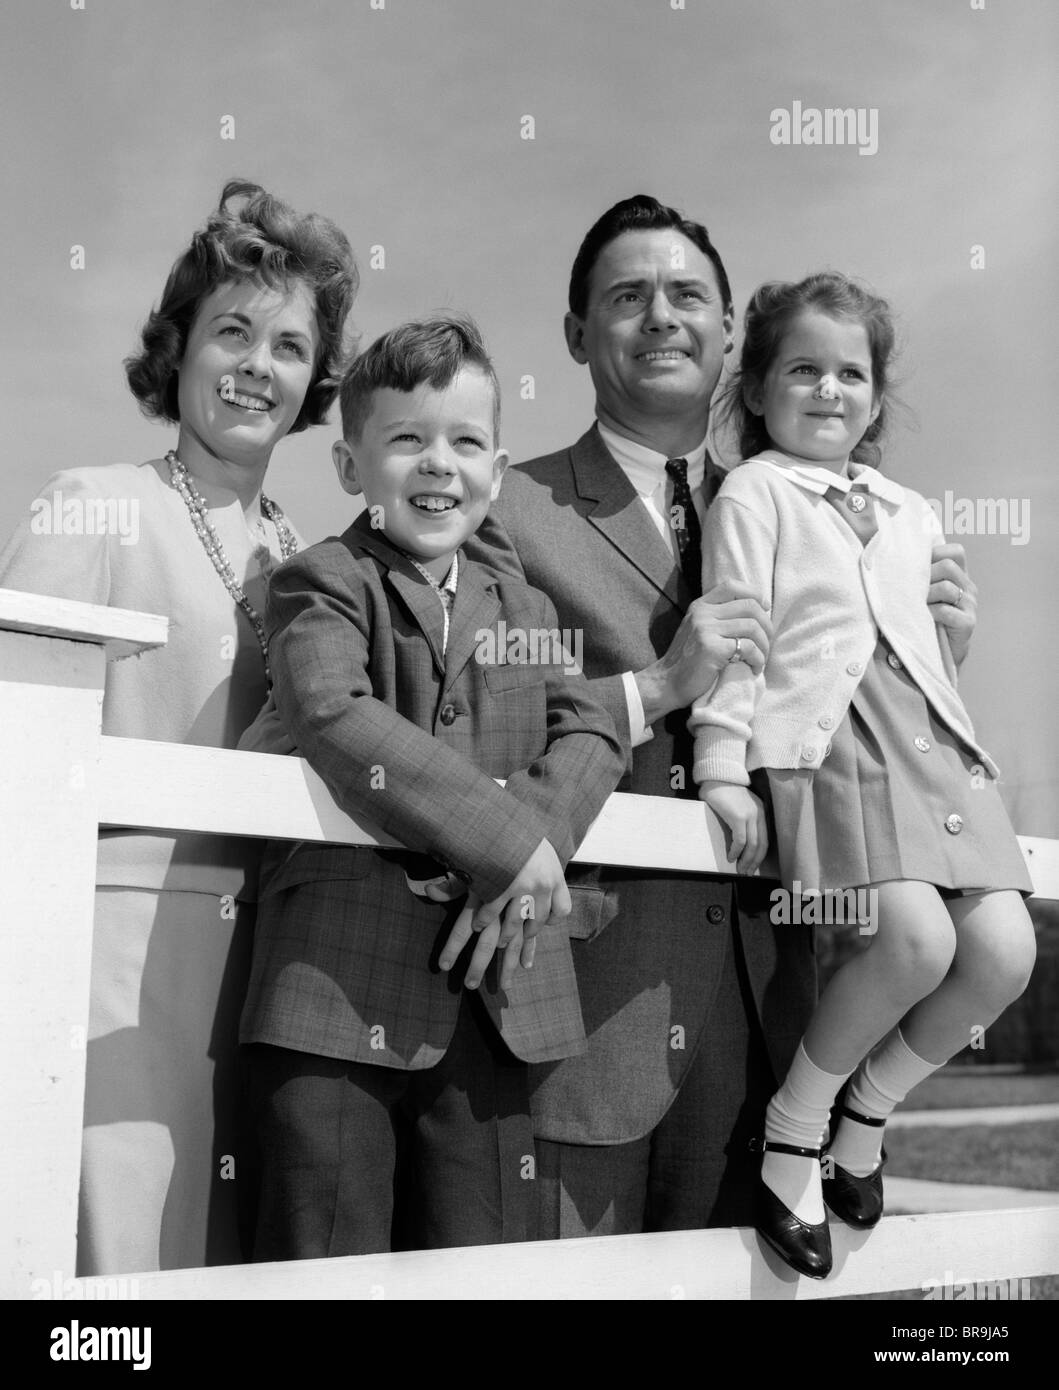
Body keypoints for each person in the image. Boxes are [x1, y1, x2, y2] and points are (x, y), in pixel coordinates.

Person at [464, 195, 981, 1237]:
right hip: (587, 1031)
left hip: (782, 1019)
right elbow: (472, 709)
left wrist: (926, 653)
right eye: (627, 296)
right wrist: (659, 685)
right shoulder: (505, 508)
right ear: (575, 335)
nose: (662, 316)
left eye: (687, 294)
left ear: (730, 329)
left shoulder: (833, 513)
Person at [0, 179, 358, 1274]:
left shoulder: (322, 562)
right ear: (180, 347)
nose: (258, 364)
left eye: (289, 344)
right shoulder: (92, 501)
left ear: (313, 382)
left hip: (274, 981)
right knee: (115, 1280)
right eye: (233, 331)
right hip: (109, 968)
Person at [238, 313, 625, 1257]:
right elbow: (335, 713)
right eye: (405, 439)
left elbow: (594, 724)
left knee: (478, 1261)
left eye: (463, 442)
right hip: (333, 994)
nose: (436, 465)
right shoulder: (318, 582)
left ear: (497, 468)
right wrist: (506, 846)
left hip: (499, 1001)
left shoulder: (527, 608)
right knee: (323, 1259)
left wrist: (529, 849)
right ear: (348, 468)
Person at [689, 271, 1035, 1278]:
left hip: (934, 748)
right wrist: (720, 763)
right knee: (914, 939)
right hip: (832, 747)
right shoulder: (754, 492)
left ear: (878, 397)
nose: (829, 389)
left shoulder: (911, 508)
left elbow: (917, 646)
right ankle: (794, 1128)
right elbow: (740, 636)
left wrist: (958, 658)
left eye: (852, 372)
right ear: (755, 389)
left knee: (1004, 953)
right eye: (804, 368)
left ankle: (866, 1112)